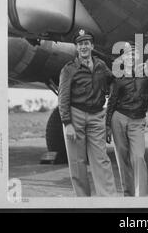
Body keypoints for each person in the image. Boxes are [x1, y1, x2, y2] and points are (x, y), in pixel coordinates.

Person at [58, 28, 117, 197]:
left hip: (97, 115)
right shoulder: (69, 69)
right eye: (80, 44)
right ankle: (83, 200)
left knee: (101, 159)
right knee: (77, 162)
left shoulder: (100, 65)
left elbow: (113, 81)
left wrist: (111, 96)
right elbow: (63, 98)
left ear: (92, 46)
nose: (83, 47)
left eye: (86, 43)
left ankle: (108, 200)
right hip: (75, 116)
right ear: (76, 48)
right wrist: (67, 123)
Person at [106, 41, 148, 197]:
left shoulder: (146, 75)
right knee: (122, 158)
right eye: (128, 54)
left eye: (134, 54)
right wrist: (107, 126)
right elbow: (111, 101)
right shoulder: (118, 77)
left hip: (137, 120)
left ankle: (141, 197)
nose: (131, 56)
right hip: (118, 118)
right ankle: (127, 193)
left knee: (138, 157)